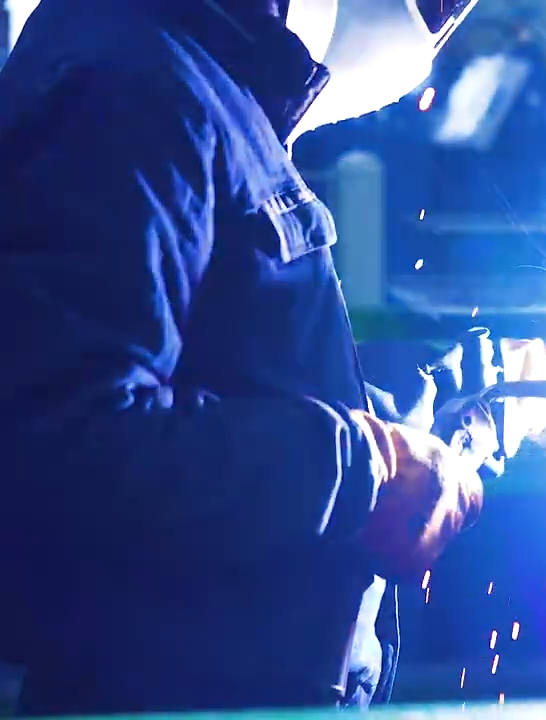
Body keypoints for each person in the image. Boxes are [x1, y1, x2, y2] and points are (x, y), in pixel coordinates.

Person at [0, 0, 516, 713]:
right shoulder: (128, 84)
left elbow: (242, 362)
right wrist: (368, 470)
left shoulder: (213, 78)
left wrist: (481, 395)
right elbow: (67, 443)